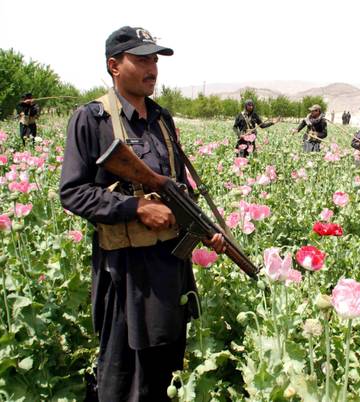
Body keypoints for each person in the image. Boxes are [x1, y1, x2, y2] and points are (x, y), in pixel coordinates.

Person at [59, 26, 225, 401]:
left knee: (164, 370)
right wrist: (135, 207)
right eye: (142, 59)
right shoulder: (92, 119)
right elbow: (72, 193)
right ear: (114, 66)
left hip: (170, 268)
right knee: (123, 375)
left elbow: (177, 188)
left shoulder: (162, 119)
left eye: (154, 59)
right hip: (125, 272)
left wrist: (203, 230)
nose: (152, 68)